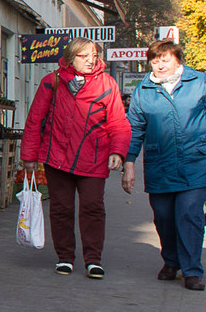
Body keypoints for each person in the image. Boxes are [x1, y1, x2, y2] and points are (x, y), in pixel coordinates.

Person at [122, 39, 206, 291]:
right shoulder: (144, 89)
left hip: (198, 161)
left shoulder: (203, 83)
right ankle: (171, 261)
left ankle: (191, 271)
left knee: (188, 213)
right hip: (160, 163)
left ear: (178, 59)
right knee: (163, 216)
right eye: (155, 59)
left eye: (165, 59)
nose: (159, 64)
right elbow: (134, 128)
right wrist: (128, 162)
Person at [20, 37, 131, 278]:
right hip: (56, 156)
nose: (91, 60)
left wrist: (117, 151)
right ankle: (65, 258)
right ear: (71, 58)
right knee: (61, 208)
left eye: (94, 55)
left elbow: (119, 123)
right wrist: (29, 155)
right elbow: (35, 119)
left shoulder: (107, 83)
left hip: (93, 158)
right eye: (84, 56)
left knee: (92, 208)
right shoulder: (52, 81)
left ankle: (93, 260)